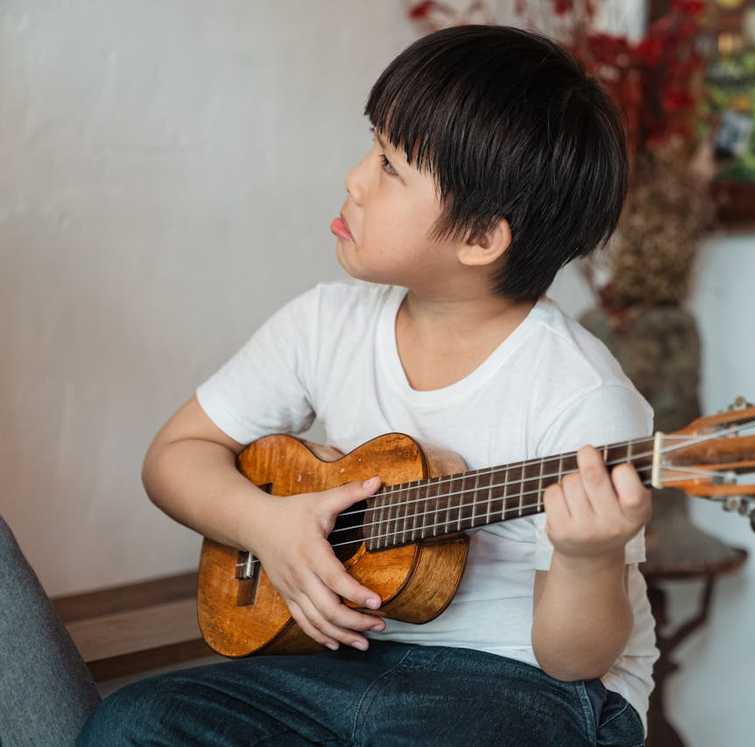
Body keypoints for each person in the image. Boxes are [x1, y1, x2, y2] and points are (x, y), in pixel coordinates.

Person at [74, 24, 657, 746]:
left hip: (523, 683)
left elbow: (576, 656)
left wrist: (588, 555)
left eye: (389, 166)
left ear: (480, 239)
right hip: (340, 655)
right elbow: (175, 456)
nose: (354, 178)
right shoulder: (325, 323)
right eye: (371, 146)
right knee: (133, 724)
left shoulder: (580, 393)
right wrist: (268, 527)